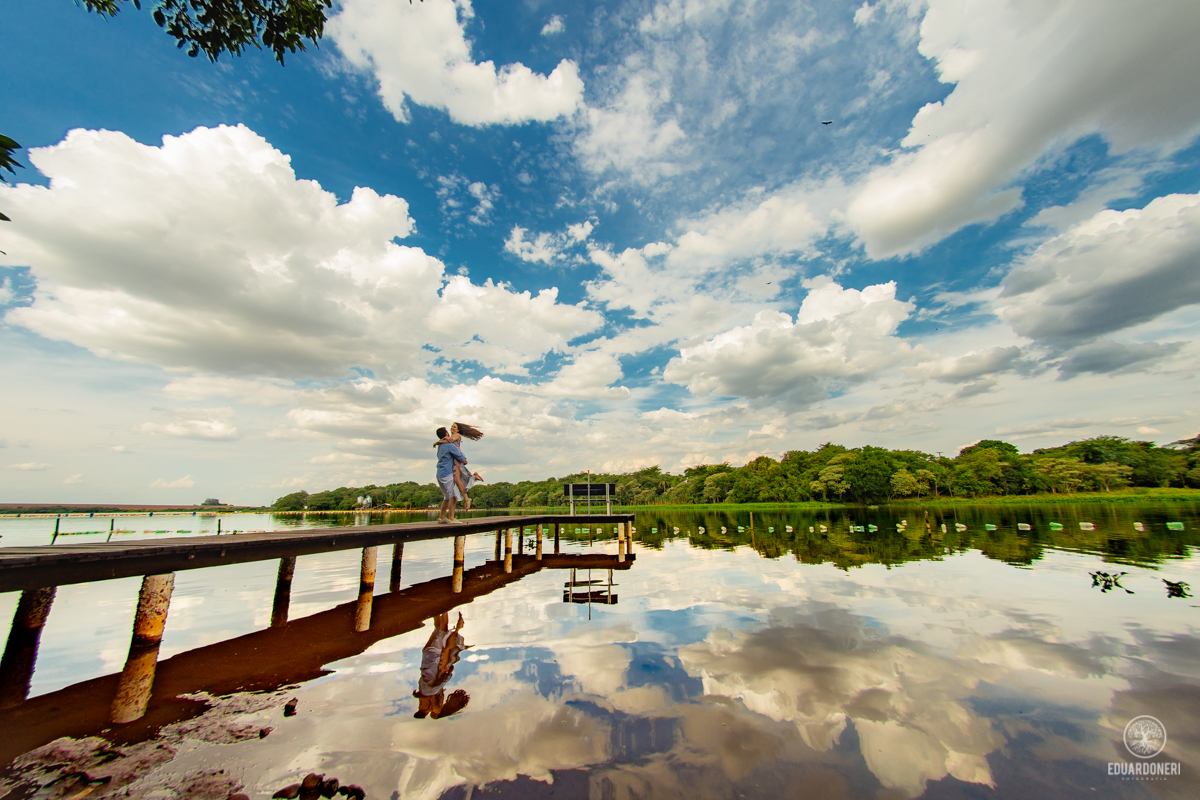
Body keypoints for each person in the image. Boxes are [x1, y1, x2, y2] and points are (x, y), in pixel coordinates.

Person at [413, 612, 471, 719]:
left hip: (434, 657)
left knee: (443, 629)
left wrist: (449, 673)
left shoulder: (429, 692)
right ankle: (437, 607)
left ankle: (444, 608)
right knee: (438, 628)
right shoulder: (422, 690)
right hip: (427, 656)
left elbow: (445, 680)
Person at [434, 423, 485, 509]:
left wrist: (437, 442)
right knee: (458, 479)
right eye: (452, 427)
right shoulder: (449, 438)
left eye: (454, 427)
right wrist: (440, 441)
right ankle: (473, 479)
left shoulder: (456, 435)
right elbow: (448, 441)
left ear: (458, 430)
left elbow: (450, 440)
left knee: (458, 479)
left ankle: (466, 498)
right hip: (454, 459)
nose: (452, 428)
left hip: (457, 459)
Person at [434, 427, 467, 524]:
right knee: (453, 496)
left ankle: (441, 517)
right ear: (446, 434)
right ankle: (451, 518)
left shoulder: (440, 445)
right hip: (447, 473)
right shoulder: (449, 445)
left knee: (446, 497)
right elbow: (460, 456)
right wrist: (464, 460)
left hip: (439, 473)